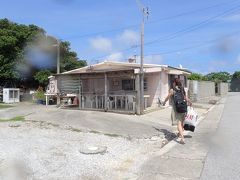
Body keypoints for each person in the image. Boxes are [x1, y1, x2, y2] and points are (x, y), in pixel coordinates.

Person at [162, 78, 192, 144]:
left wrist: (164, 102)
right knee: (182, 123)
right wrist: (190, 102)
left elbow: (168, 97)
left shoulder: (172, 90)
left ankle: (182, 138)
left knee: (179, 124)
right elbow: (185, 98)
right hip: (184, 107)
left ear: (174, 83)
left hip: (177, 109)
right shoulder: (182, 89)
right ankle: (180, 133)